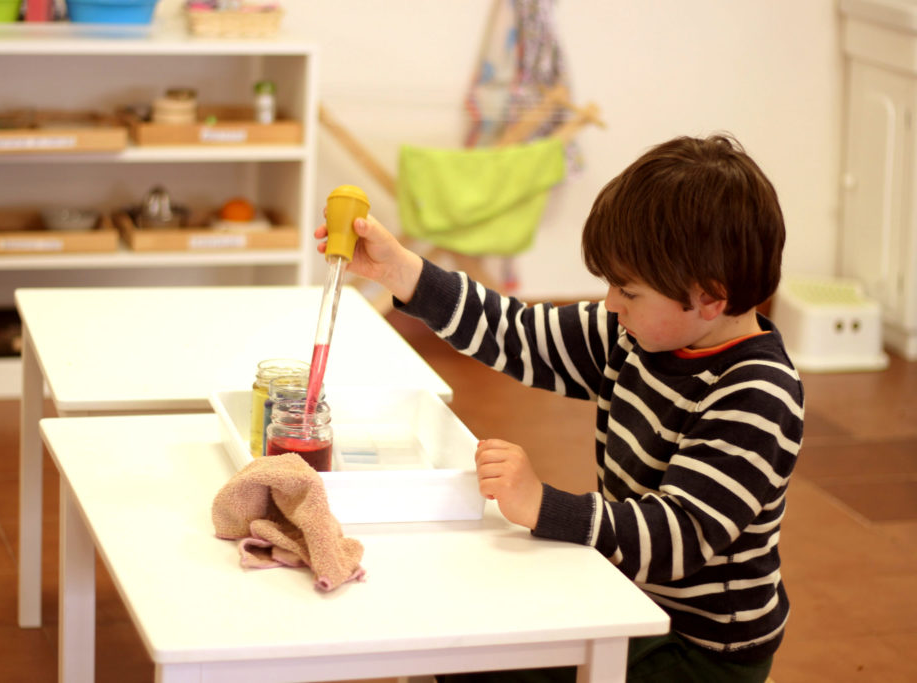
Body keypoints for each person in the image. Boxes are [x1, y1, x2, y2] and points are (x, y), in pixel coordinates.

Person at [315, 134, 804, 683]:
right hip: (626, 593)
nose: (611, 302)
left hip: (698, 651)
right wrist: (401, 271)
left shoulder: (757, 393)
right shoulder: (635, 333)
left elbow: (676, 536)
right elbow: (518, 334)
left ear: (710, 297)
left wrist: (543, 504)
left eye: (629, 290)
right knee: (469, 650)